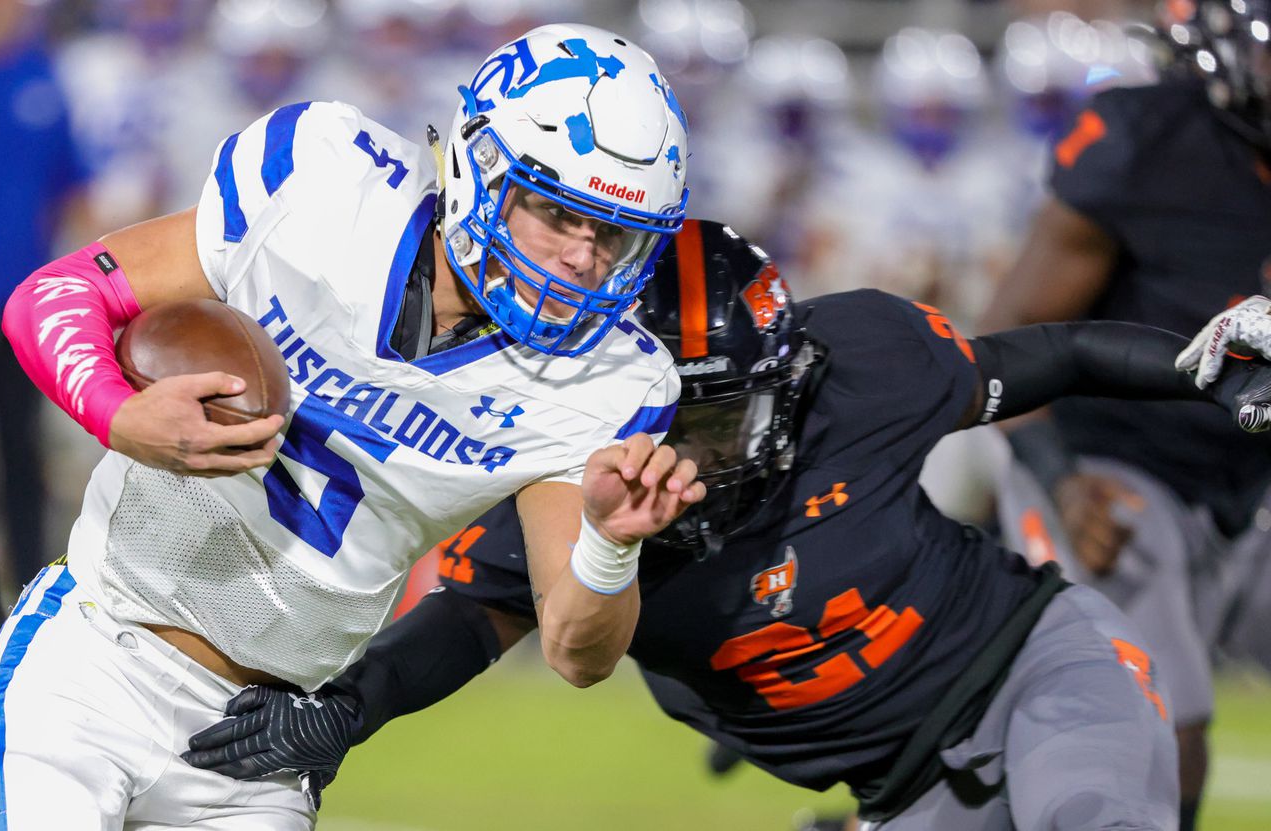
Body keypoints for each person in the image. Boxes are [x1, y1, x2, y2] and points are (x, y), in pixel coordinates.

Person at [183, 219, 1271, 829]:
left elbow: (1055, 354)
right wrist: (347, 712)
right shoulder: (576, 484)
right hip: (896, 788)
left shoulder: (863, 363)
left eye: (705, 413)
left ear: (783, 374)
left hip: (1029, 663)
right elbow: (474, 617)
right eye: (648, 416)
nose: (680, 449)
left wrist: (1201, 368)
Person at [0, 23, 700, 829]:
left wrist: (612, 543)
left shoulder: (610, 379)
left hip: (263, 745)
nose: (583, 259)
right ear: (478, 167)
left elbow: (579, 652)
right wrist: (121, 415)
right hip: (96, 659)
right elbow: (54, 295)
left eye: (611, 233)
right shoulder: (326, 178)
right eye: (554, 213)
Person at [979, 4, 1271, 827]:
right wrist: (1062, 482)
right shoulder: (1148, 143)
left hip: (1245, 479)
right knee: (1155, 721)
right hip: (1111, 463)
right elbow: (1007, 342)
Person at [0, 0, 92, 614]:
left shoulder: (41, 79)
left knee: (22, 453)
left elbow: (70, 189)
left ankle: (28, 590)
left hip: (18, 303)